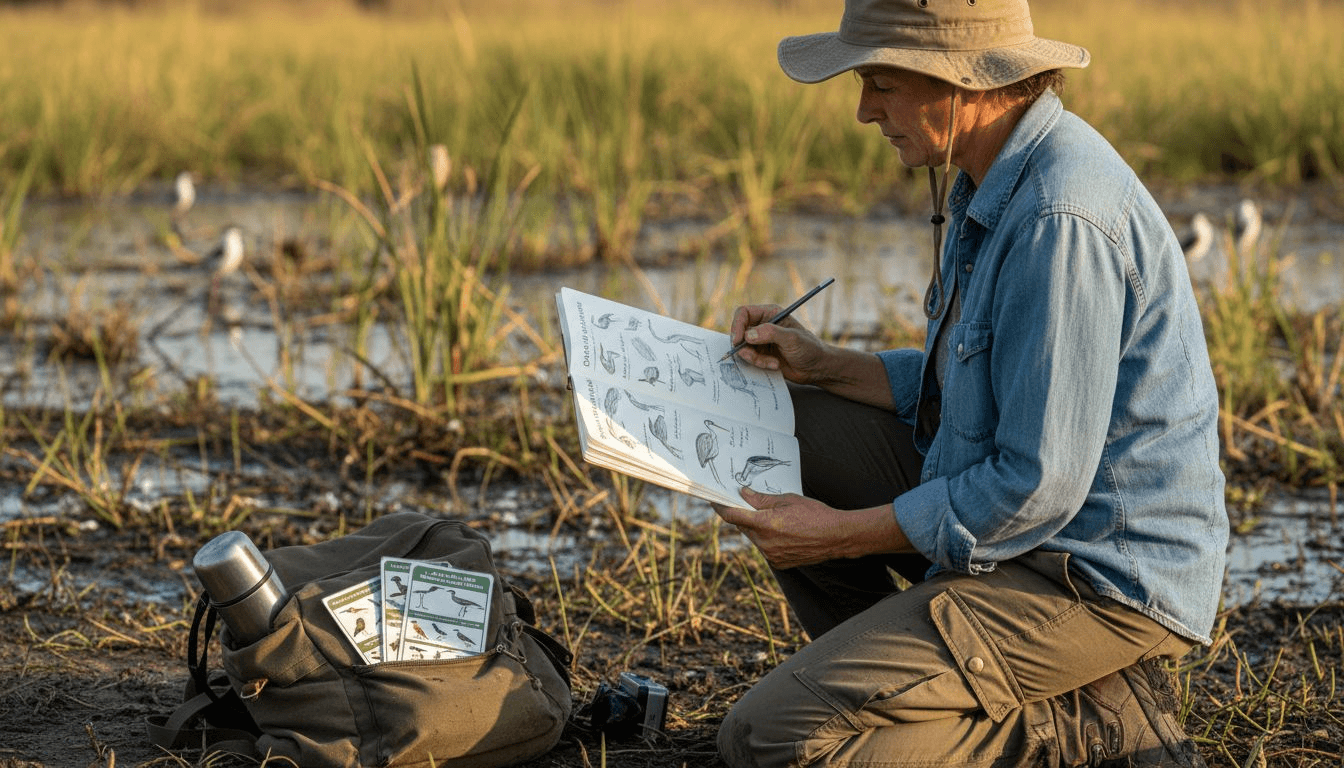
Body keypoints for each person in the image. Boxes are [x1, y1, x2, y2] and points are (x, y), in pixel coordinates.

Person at [711, 0, 1228, 766]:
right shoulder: (994, 176)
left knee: (766, 741)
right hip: (1028, 536)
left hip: (1091, 578)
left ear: (961, 84)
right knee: (793, 427)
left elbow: (1034, 486)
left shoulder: (1059, 218)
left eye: (882, 84)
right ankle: (926, 680)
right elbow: (977, 383)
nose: (863, 111)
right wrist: (823, 364)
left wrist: (839, 534)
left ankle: (1080, 723)